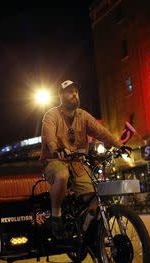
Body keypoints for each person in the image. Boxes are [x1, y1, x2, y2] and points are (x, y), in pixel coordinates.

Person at [40, 80, 126, 238]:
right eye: (69, 91)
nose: (74, 94)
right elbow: (49, 136)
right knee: (62, 176)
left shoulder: (83, 115)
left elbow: (101, 131)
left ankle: (85, 230)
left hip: (78, 164)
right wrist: (55, 149)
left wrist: (119, 145)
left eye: (76, 92)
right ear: (61, 95)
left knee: (94, 196)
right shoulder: (51, 115)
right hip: (55, 161)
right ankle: (56, 217)